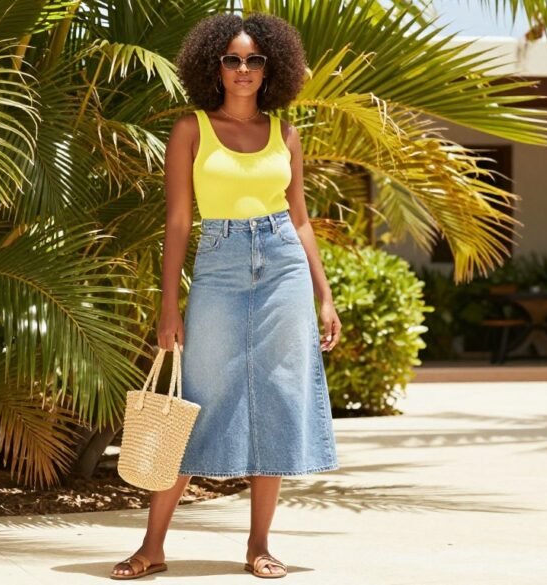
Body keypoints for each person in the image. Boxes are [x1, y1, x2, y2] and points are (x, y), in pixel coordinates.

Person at [110, 11, 341, 581]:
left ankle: (258, 544)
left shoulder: (287, 133)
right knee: (198, 400)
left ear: (272, 68)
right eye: (233, 59)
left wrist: (325, 295)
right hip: (219, 263)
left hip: (283, 262)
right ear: (214, 66)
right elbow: (179, 223)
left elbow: (302, 219)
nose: (243, 70)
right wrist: (169, 305)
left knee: (280, 396)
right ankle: (152, 546)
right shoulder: (192, 129)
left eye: (254, 60)